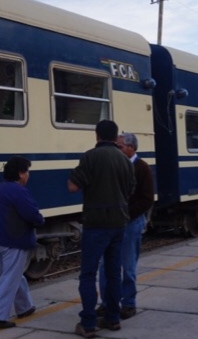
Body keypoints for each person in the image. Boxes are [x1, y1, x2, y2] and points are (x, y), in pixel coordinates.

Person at [68, 120, 135, 338]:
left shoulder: (90, 156)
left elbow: (73, 186)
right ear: (116, 138)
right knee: (114, 273)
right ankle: (113, 318)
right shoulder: (124, 160)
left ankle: (88, 323)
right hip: (119, 223)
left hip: (96, 223)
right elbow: (130, 189)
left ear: (97, 135)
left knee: (88, 274)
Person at [97, 133, 154, 320]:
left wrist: (126, 213)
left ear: (131, 148)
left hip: (130, 223)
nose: (117, 149)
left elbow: (147, 199)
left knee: (127, 266)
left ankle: (128, 304)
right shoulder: (114, 165)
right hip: (111, 222)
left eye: (120, 146)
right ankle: (107, 303)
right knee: (105, 265)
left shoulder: (142, 167)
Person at [0, 156, 45, 329]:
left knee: (13, 275)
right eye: (27, 171)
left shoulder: (0, 189)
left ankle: (24, 306)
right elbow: (31, 213)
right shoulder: (18, 191)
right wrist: (40, 220)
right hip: (14, 240)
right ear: (20, 174)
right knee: (9, 278)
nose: (28, 175)